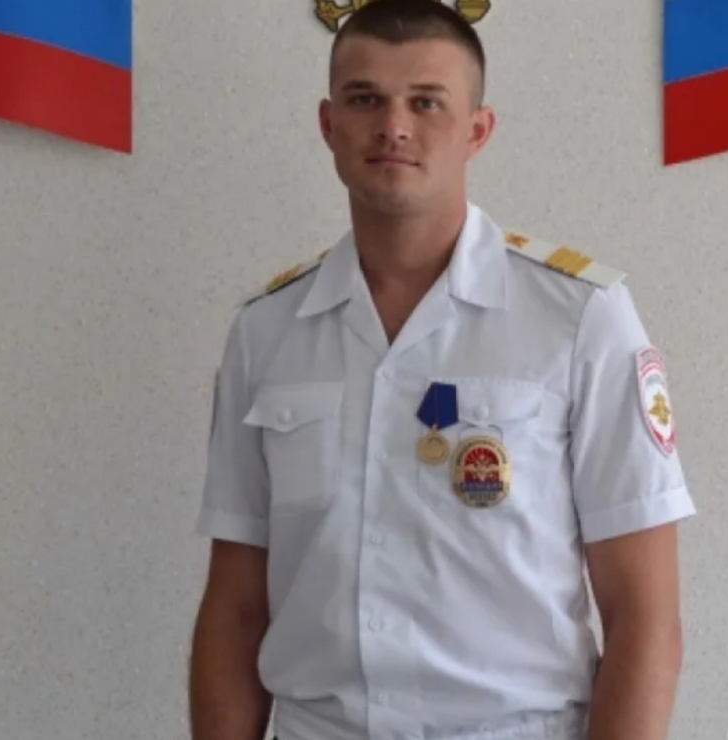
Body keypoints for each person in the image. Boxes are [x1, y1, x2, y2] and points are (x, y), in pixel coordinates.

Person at [188, 1, 697, 740]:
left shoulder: (581, 318)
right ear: (328, 124)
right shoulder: (266, 333)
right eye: (365, 99)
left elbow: (645, 619)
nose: (394, 126)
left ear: (477, 130)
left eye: (426, 102)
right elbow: (236, 610)